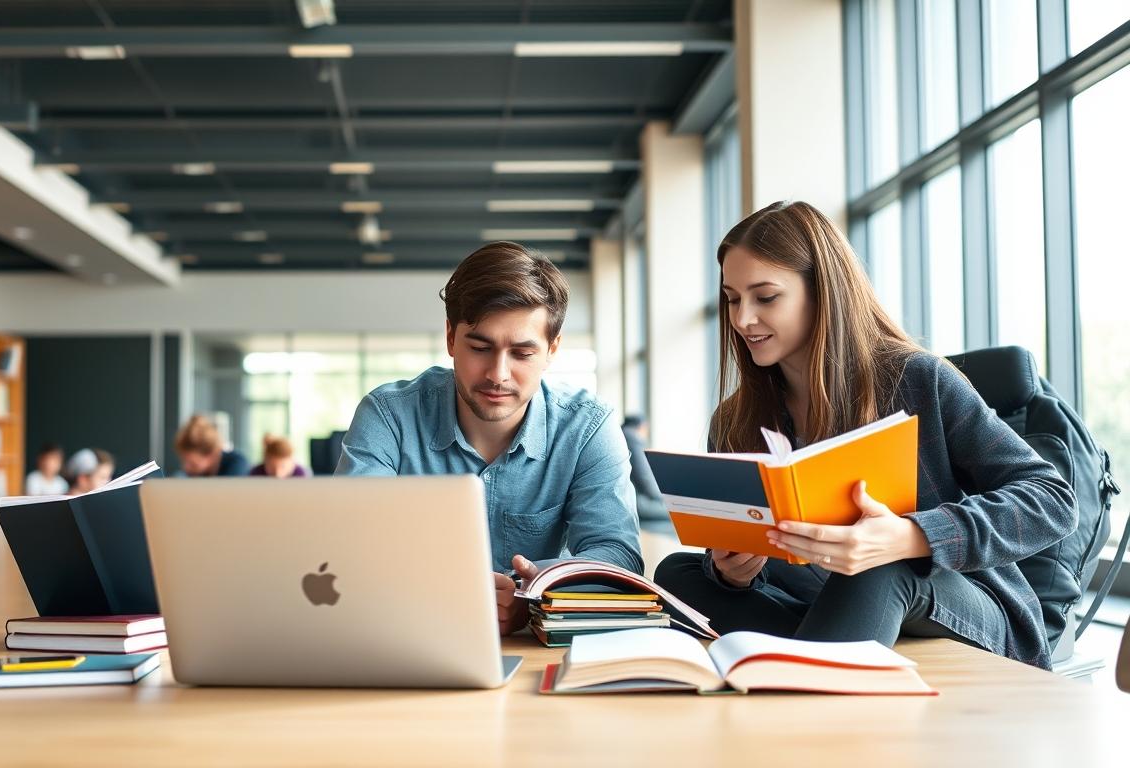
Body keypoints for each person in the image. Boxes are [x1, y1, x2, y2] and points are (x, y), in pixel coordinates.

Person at [652, 201, 1075, 669]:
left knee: (878, 566)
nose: (743, 319)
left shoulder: (919, 379)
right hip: (823, 600)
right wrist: (732, 573)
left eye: (766, 297)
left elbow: (1052, 500)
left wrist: (911, 536)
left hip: (953, 599)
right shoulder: (735, 420)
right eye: (732, 299)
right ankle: (831, 640)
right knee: (678, 573)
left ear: (823, 293)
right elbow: (752, 559)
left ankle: (812, 671)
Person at [336, 241, 643, 635]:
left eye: (522, 353)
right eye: (480, 347)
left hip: (534, 647)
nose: (498, 374)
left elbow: (619, 555)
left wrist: (530, 594)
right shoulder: (388, 415)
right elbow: (351, 541)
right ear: (451, 338)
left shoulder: (587, 427)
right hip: (406, 632)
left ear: (552, 350)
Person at [620, 415, 668, 528]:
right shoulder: (632, 438)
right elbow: (645, 479)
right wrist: (664, 498)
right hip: (634, 504)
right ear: (643, 427)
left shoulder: (620, 436)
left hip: (624, 502)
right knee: (677, 515)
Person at [174, 415, 250, 477]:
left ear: (211, 455)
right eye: (183, 461)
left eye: (193, 464)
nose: (186, 468)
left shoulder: (237, 465)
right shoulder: (193, 473)